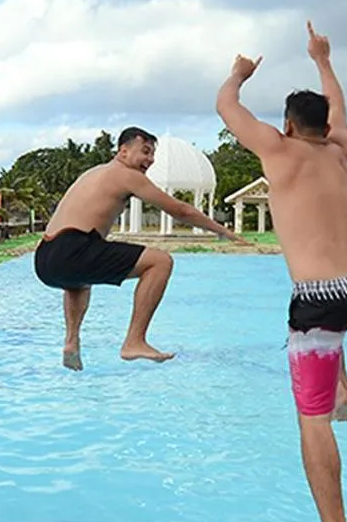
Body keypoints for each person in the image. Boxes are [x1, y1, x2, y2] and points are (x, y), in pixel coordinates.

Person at [215, 21, 347, 522]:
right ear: (325, 125)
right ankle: (346, 387)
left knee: (312, 421)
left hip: (319, 300)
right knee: (330, 336)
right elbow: (339, 105)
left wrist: (238, 74)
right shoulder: (339, 154)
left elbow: (226, 106)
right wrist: (322, 59)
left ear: (287, 124)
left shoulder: (276, 149)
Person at [35, 127, 251, 369]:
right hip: (73, 248)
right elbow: (180, 210)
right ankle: (134, 341)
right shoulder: (126, 174)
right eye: (145, 152)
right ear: (123, 151)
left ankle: (71, 342)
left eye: (152, 155)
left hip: (45, 256)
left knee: (78, 282)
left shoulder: (94, 173)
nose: (150, 160)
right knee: (160, 262)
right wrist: (221, 230)